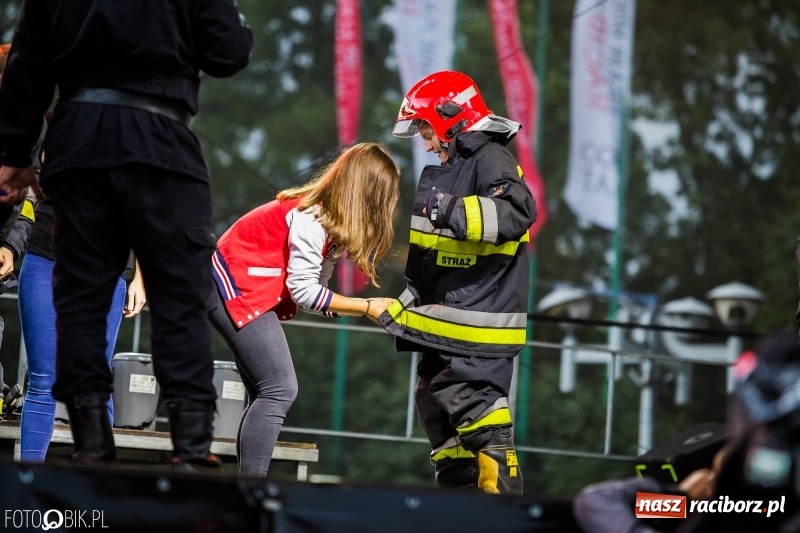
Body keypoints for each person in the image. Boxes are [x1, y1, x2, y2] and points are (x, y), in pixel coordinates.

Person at [0, 1, 253, 469]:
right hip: (160, 134)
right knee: (180, 295)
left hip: (77, 139)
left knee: (81, 296)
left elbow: (26, 60)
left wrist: (16, 150)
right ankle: (192, 450)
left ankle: (93, 444)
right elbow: (229, 53)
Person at [384, 70, 537, 495]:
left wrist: (447, 209)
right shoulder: (463, 165)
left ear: (453, 118)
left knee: (480, 414)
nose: (427, 144)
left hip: (476, 329)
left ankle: (502, 516)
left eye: (427, 131)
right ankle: (458, 507)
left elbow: (518, 211)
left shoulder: (491, 157)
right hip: (449, 327)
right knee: (435, 409)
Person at [208, 142, 400, 475]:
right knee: (280, 387)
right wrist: (367, 307)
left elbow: (312, 294)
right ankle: (252, 491)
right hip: (231, 286)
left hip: (235, 287)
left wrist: (364, 309)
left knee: (268, 391)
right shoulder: (313, 217)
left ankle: (248, 486)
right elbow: (305, 293)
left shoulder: (329, 225)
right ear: (370, 194)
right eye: (389, 195)